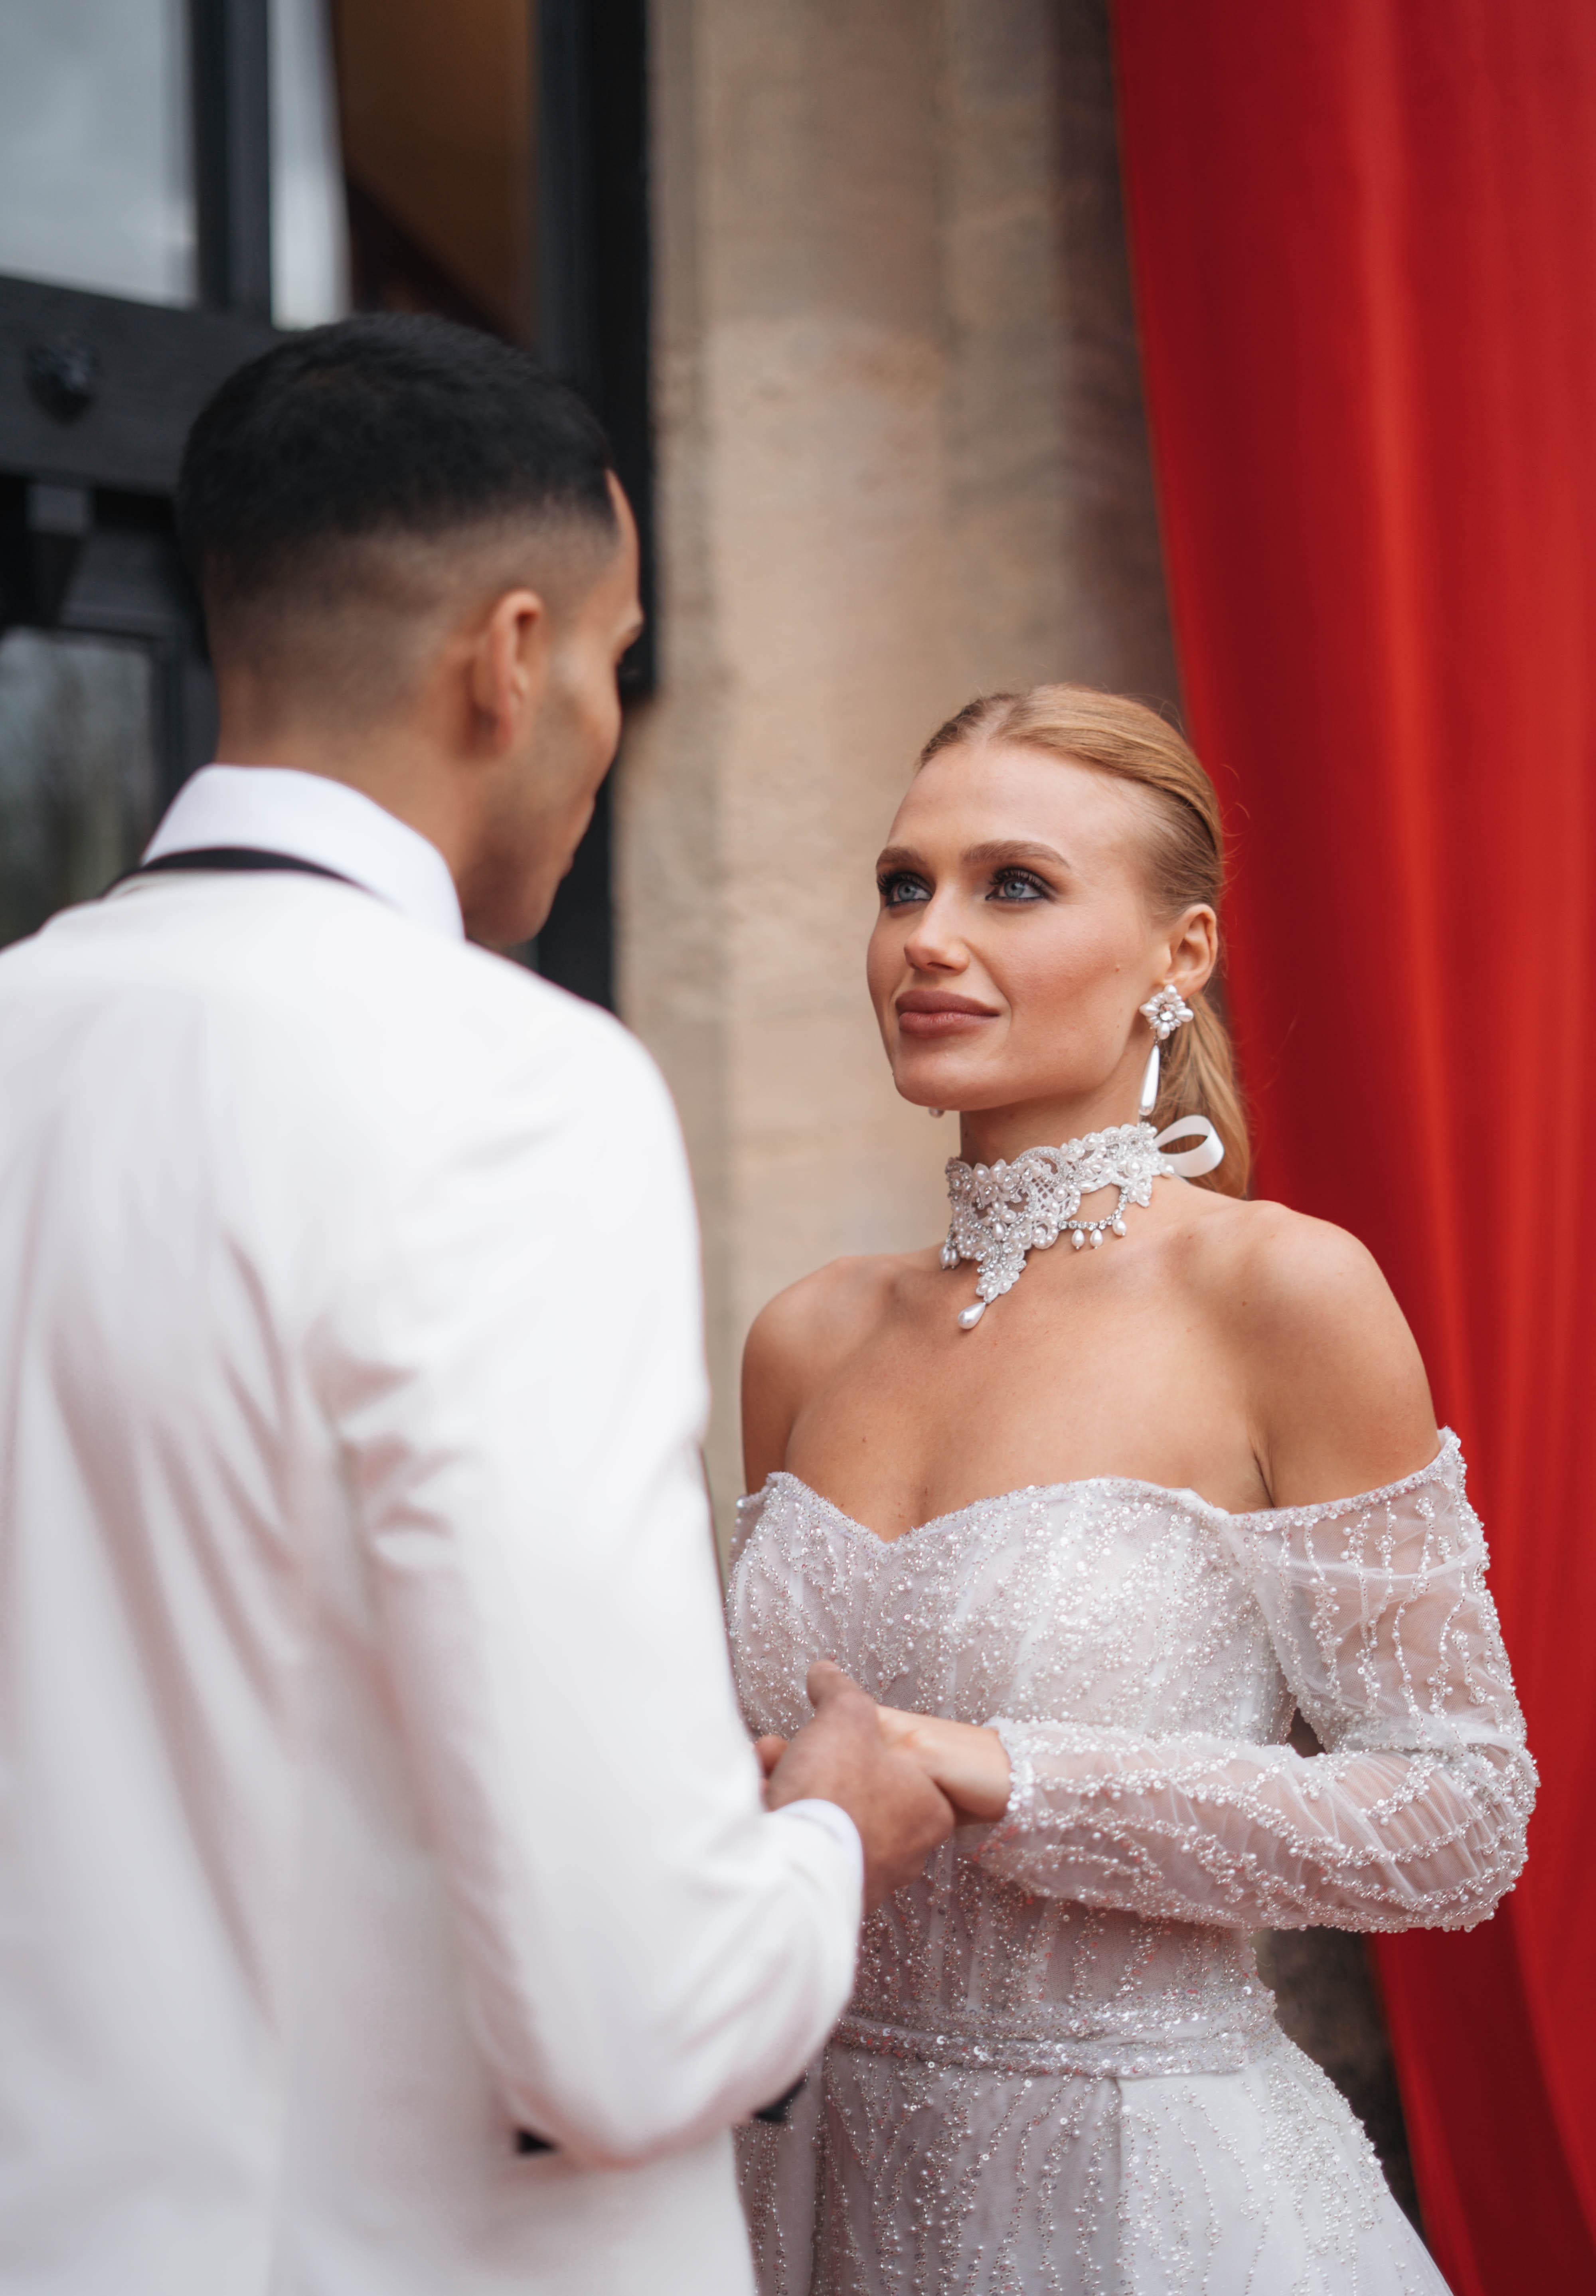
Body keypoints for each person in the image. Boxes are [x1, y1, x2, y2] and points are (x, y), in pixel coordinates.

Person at [0, 315, 955, 2296]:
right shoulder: (510, 1090)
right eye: (616, 658)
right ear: (511, 659)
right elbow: (635, 2019)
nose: (606, 724)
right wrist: (830, 1837)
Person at [729, 685, 1535, 2294]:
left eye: (1014, 885)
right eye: (904, 883)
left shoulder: (1282, 1294)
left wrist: (1002, 1769)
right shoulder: (804, 1337)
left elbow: (1458, 1814)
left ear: (1183, 953)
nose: (928, 938)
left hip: (1154, 2206)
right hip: (804, 2196)